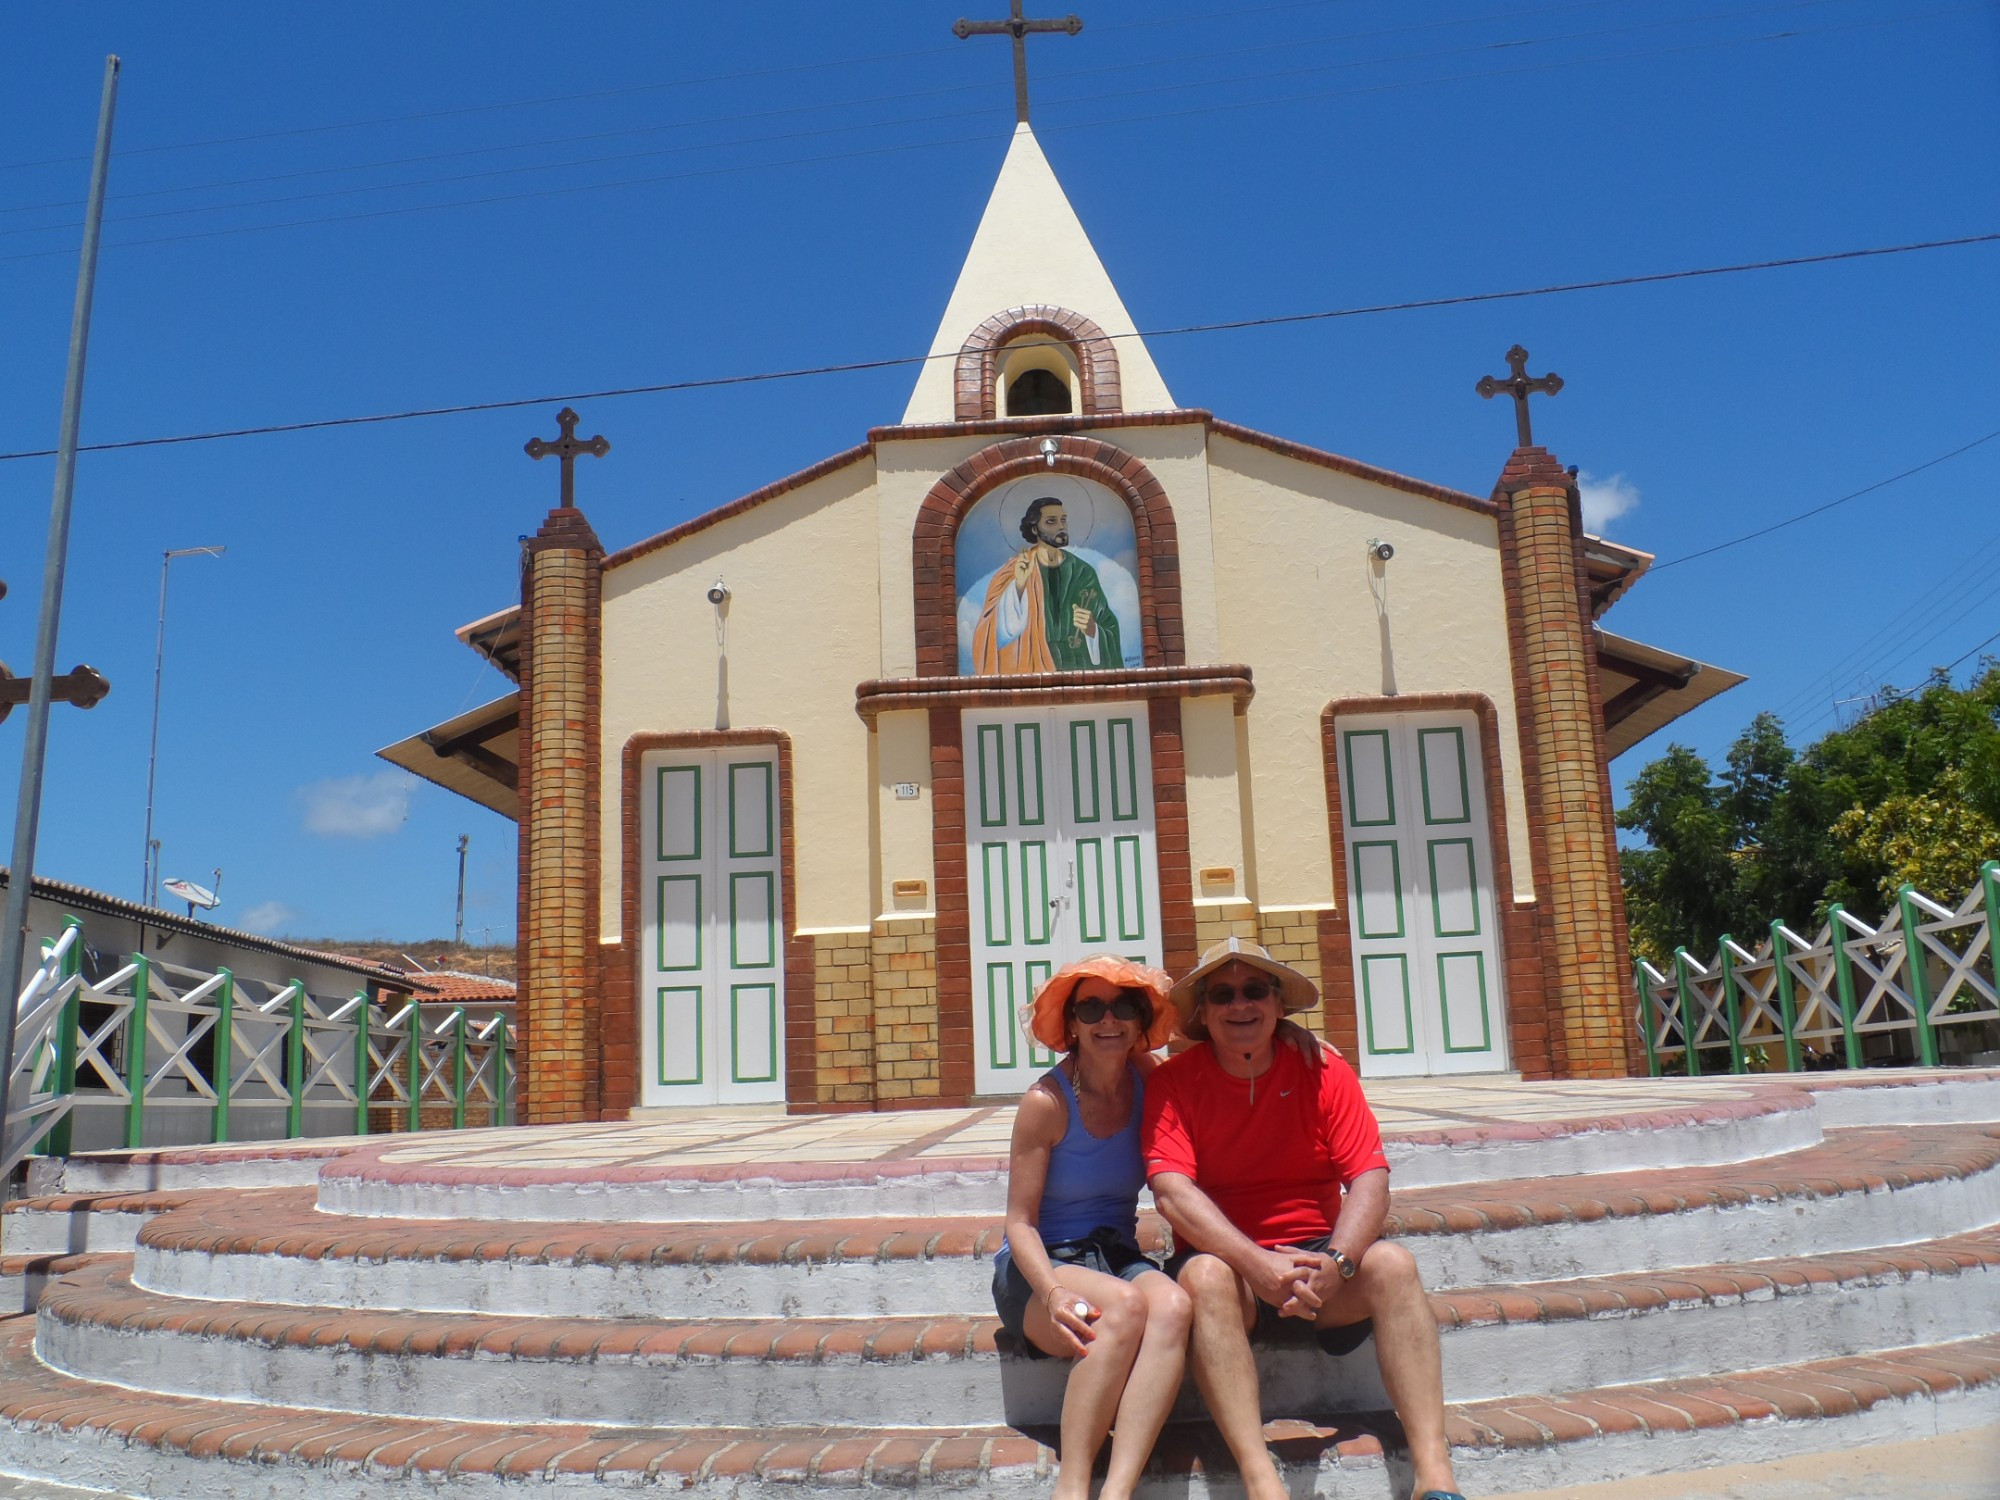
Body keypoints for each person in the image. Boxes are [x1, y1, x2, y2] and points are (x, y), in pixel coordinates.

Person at [1141, 938, 1465, 1500]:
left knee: (1392, 1263)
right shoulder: (1174, 1083)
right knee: (1203, 1278)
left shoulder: (1323, 1069)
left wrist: (1338, 1262)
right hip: (1233, 1265)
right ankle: (1262, 1480)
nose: (1240, 1005)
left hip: (1321, 1261)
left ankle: (1434, 1476)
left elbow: (1369, 1176)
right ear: (1203, 1013)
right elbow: (1171, 1193)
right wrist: (1257, 1264)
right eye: (1222, 994)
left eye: (1255, 991)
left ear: (1278, 1004)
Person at [994, 956, 1189, 1500]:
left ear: (1141, 1022)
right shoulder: (1046, 1102)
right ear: (1072, 1023)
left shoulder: (1147, 1078)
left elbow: (1225, 1051)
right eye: (1091, 1007)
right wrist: (1053, 1292)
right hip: (1040, 1268)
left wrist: (1300, 1041)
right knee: (1124, 1309)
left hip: (1114, 1255)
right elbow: (1019, 1223)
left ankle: (1118, 1488)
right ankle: (1073, 1485)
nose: (1110, 1020)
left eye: (1125, 1006)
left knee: (1174, 1306)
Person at [973, 496, 1123, 674]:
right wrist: (1019, 586)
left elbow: (1108, 626)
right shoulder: (1017, 569)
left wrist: (1092, 629)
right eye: (1051, 521)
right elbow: (991, 630)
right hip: (1033, 671)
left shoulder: (1083, 572)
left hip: (1078, 669)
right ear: (1035, 529)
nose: (1061, 526)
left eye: (1063, 520)